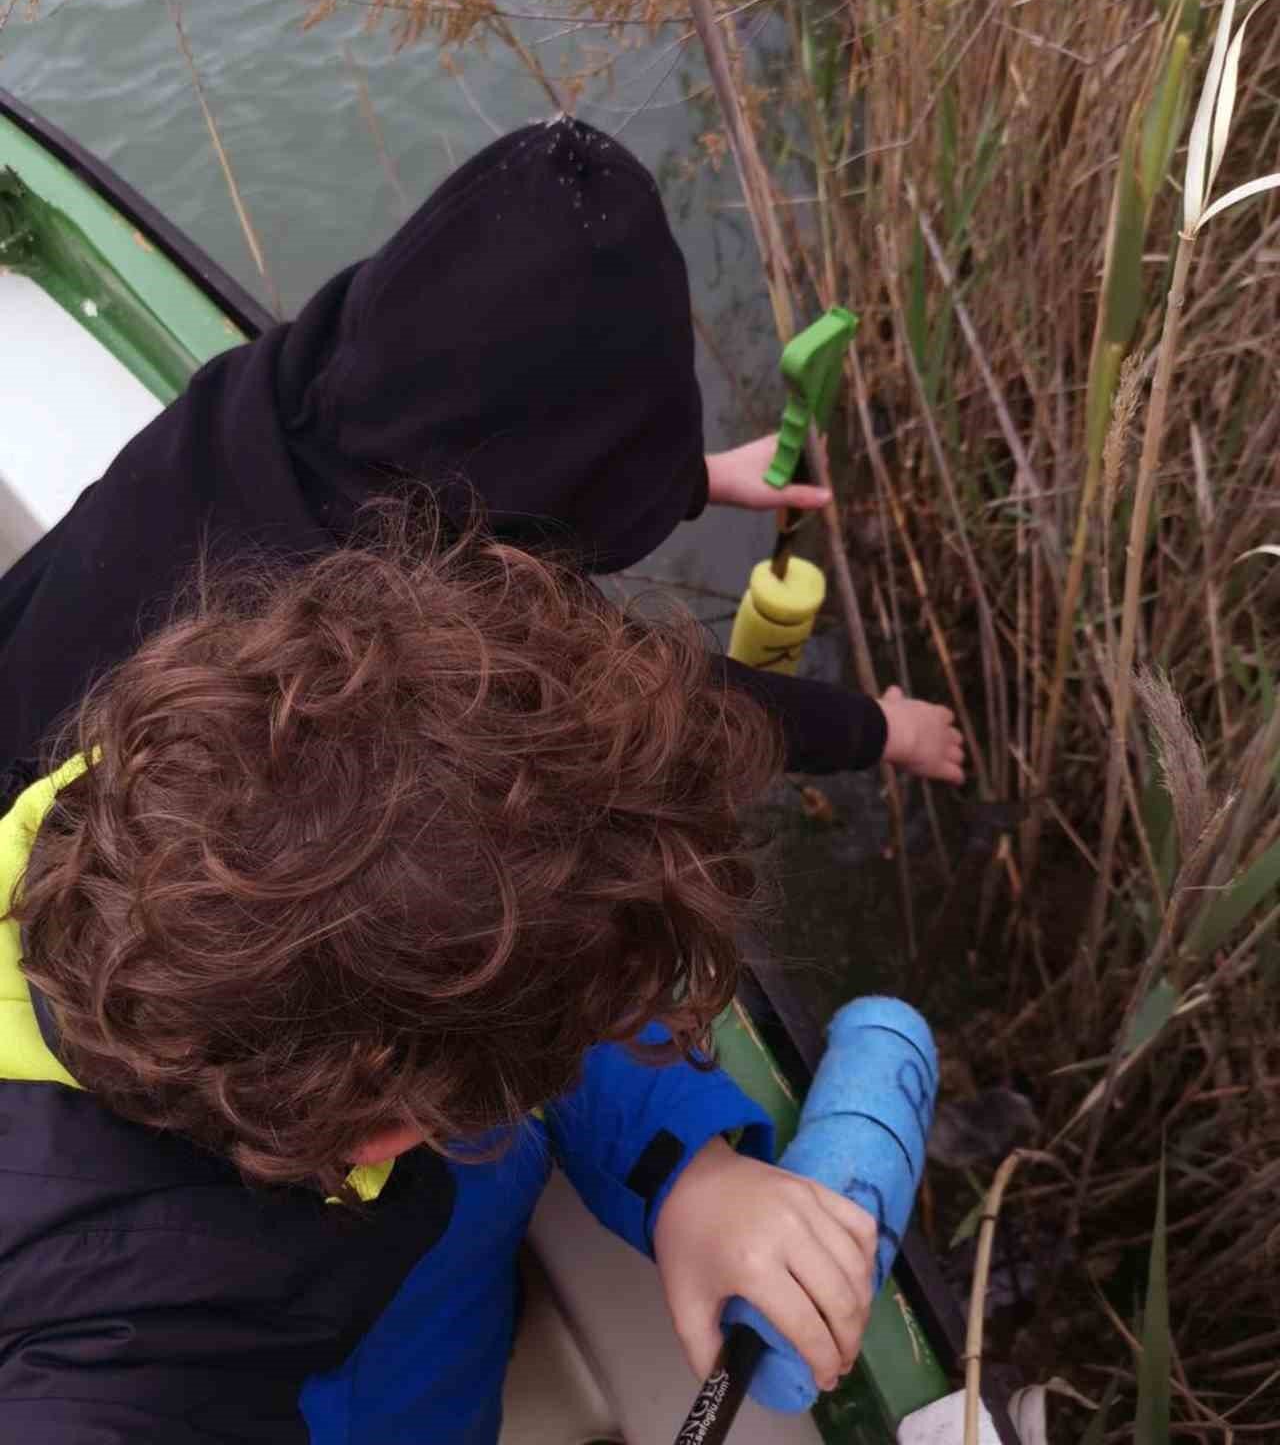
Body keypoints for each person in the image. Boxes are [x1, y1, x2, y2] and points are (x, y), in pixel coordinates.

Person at [0, 516, 878, 1442]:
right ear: (392, 1123)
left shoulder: (161, 817)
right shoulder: (105, 1380)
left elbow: (539, 954)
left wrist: (692, 1172)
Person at [0, 115, 964, 813]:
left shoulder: (255, 396)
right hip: (66, 899)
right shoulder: (422, 629)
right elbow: (687, 705)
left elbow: (472, 440)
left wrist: (694, 482)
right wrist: (886, 732)